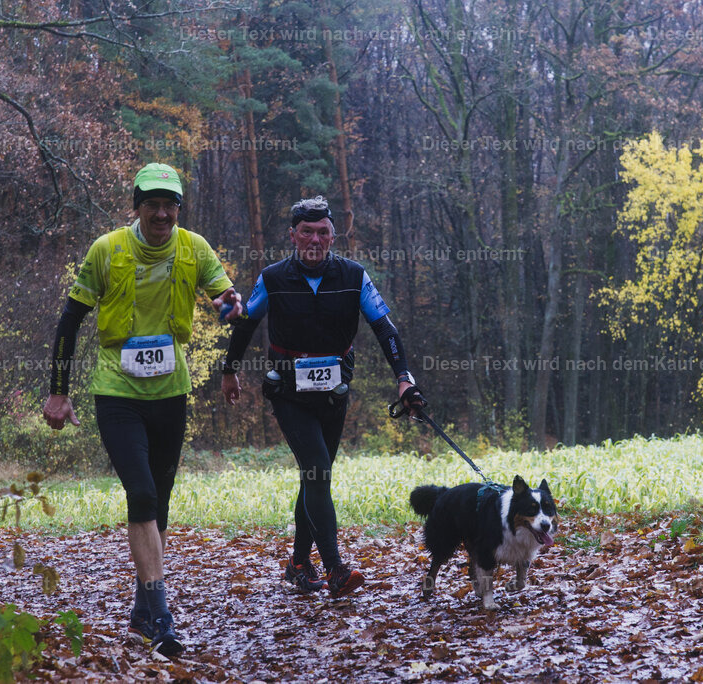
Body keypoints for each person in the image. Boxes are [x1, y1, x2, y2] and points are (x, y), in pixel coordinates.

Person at [42, 163, 242, 656]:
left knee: (160, 501)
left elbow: (224, 296)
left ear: (178, 208)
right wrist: (58, 391)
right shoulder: (107, 249)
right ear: (136, 206)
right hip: (117, 392)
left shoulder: (193, 247)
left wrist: (230, 305)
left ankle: (140, 608)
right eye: (151, 203)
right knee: (142, 492)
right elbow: (70, 321)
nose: (161, 212)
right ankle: (162, 616)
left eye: (169, 203)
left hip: (171, 391)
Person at [221, 195, 425, 598]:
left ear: (334, 236)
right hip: (288, 391)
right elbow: (245, 324)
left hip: (334, 392)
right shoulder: (274, 277)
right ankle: (334, 567)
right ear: (293, 236)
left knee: (314, 477)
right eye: (307, 232)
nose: (315, 239)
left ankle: (298, 564)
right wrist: (229, 371)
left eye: (323, 232)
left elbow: (385, 329)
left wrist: (404, 378)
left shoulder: (353, 275)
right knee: (317, 469)